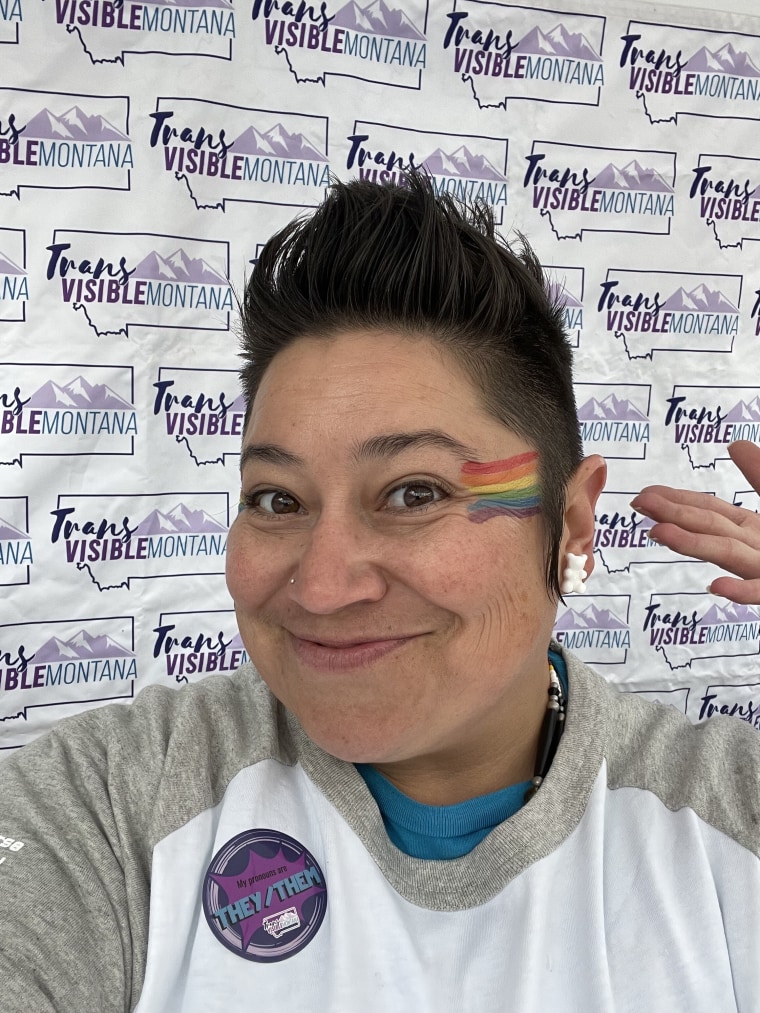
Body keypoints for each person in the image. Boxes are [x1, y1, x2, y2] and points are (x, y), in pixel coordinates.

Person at [1, 174, 760, 1013]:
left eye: (415, 492)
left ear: (572, 524)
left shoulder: (730, 814)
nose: (322, 587)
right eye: (277, 499)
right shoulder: (111, 803)